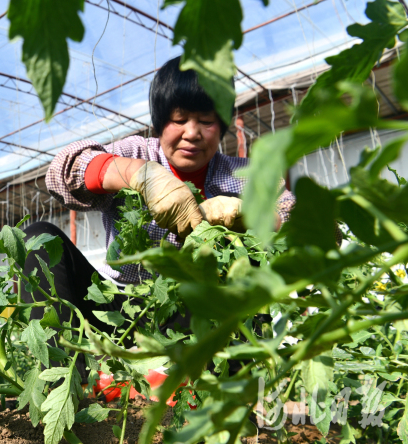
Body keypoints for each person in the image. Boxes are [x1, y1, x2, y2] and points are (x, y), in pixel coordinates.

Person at [22, 56, 295, 335]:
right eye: (179, 119)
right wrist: (139, 175)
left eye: (206, 120)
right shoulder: (137, 153)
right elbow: (62, 172)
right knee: (38, 238)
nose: (192, 133)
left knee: (245, 263)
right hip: (118, 308)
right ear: (158, 125)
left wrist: (256, 217)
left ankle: (239, 373)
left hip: (202, 314)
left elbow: (316, 230)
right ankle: (67, 376)